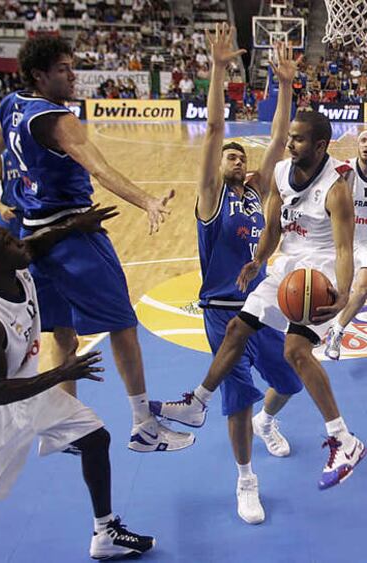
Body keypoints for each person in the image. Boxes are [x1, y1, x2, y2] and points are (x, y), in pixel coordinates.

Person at [0, 35, 194, 454]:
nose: (72, 75)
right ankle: (143, 425)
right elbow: (100, 169)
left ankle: (65, 429)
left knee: (62, 334)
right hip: (72, 235)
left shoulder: (12, 105)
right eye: (63, 69)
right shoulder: (56, 118)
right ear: (39, 75)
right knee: (122, 324)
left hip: (29, 240)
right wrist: (147, 201)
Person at [152, 109, 365, 492]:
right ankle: (198, 402)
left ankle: (344, 440)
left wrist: (344, 292)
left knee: (296, 352)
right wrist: (257, 260)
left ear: (319, 146)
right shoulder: (282, 173)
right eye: (290, 136)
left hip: (319, 274)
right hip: (287, 267)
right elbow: (271, 228)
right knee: (237, 327)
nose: (289, 142)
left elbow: (345, 249)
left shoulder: (336, 188)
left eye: (298, 139)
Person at [151, 25, 302, 525]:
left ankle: (269, 420)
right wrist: (217, 71)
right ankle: (246, 480)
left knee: (292, 380)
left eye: (242, 154)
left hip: (264, 312)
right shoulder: (211, 199)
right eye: (229, 155)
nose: (236, 157)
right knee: (235, 398)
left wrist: (284, 86)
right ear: (218, 165)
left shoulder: (258, 192)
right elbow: (215, 131)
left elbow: (280, 139)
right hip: (221, 312)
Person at [0, 210, 156, 562]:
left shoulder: (15, 265)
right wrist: (62, 373)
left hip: (26, 391)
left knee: (95, 437)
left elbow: (37, 241)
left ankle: (105, 533)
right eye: (6, 242)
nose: (17, 242)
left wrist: (76, 223)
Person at [325, 130, 367, 359]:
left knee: (362, 288)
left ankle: (337, 331)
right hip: (343, 238)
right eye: (363, 140)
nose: (366, 145)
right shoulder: (345, 170)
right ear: (357, 145)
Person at [0, 149, 24, 238]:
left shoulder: (35, 154)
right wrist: (0, 207)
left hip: (32, 212)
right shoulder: (2, 158)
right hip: (10, 213)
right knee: (5, 248)